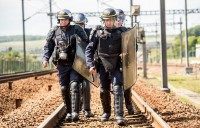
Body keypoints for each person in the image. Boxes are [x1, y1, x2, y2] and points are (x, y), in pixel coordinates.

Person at [42, 9, 88, 122]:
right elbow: (48, 46)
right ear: (58, 20)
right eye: (61, 19)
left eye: (65, 19)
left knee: (74, 86)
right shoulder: (54, 31)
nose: (63, 21)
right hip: (62, 65)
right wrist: (45, 58)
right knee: (64, 88)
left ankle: (75, 112)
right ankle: (68, 112)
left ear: (69, 20)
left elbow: (86, 42)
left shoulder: (76, 29)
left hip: (75, 63)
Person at [85, 8, 125, 125]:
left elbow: (133, 46)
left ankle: (119, 115)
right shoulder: (98, 33)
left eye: (110, 20)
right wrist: (90, 65)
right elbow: (89, 49)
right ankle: (106, 112)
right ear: (103, 21)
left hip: (116, 64)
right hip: (102, 64)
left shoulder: (122, 32)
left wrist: (126, 53)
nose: (108, 22)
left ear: (114, 20)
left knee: (117, 88)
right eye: (106, 20)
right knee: (104, 90)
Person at [73, 13, 94, 118]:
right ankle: (74, 111)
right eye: (77, 24)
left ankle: (87, 109)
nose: (79, 25)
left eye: (81, 23)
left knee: (86, 86)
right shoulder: (72, 33)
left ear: (84, 23)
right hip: (74, 65)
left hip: (86, 64)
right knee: (74, 86)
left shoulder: (89, 33)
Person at [115, 9, 135, 115]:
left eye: (121, 19)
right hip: (111, 63)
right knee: (109, 87)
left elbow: (134, 47)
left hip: (124, 62)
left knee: (127, 86)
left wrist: (127, 52)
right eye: (117, 18)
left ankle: (129, 106)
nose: (119, 21)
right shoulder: (107, 30)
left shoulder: (127, 31)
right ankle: (110, 110)